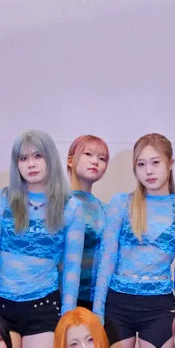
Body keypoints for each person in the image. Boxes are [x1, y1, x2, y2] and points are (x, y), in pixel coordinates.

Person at [0, 130, 88, 348]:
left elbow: (72, 268)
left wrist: (67, 319)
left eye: (38, 156)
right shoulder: (2, 200)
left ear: (50, 158)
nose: (31, 164)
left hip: (43, 307)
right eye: (23, 158)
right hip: (1, 307)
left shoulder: (71, 207)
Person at [93, 133, 175, 348]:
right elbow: (107, 258)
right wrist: (97, 311)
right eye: (141, 164)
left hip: (160, 307)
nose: (148, 171)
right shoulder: (121, 203)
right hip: (118, 304)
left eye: (155, 162)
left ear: (170, 163)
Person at [65, 135, 110, 317]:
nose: (95, 161)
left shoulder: (106, 209)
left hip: (97, 300)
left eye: (102, 158)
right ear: (70, 160)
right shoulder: (57, 203)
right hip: (61, 297)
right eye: (88, 154)